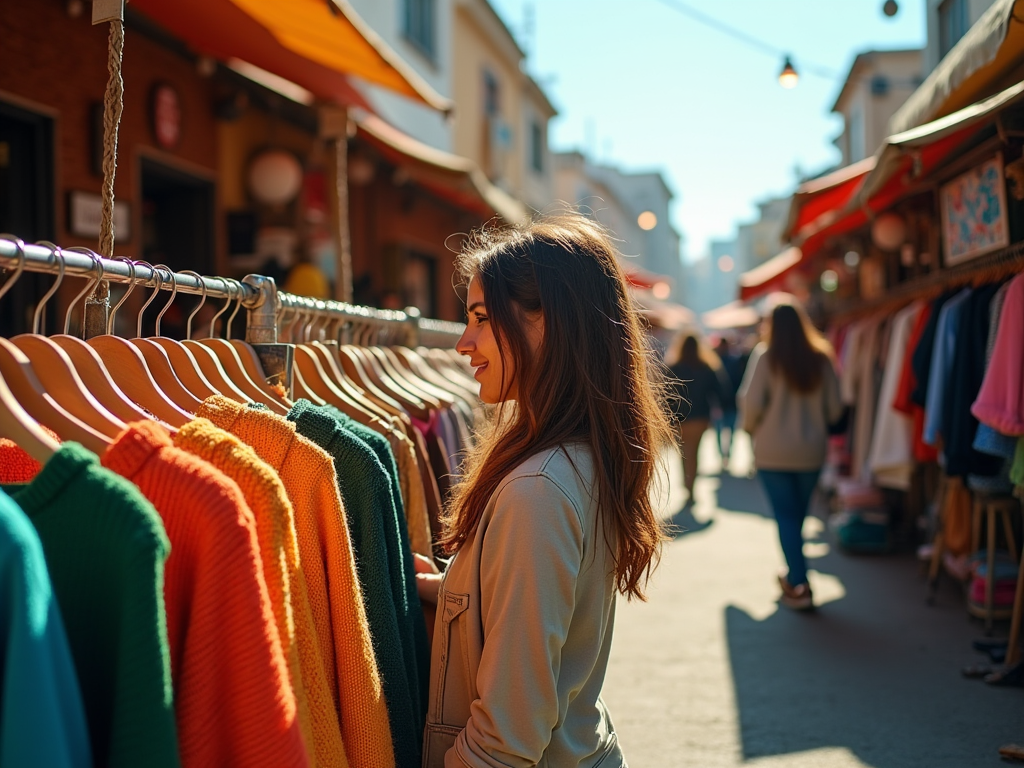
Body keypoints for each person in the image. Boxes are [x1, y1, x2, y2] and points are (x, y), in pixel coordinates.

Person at [413, 214, 674, 768]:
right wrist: (452, 590)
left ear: (546, 324)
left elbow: (505, 741)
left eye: (482, 319)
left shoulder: (537, 490)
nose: (463, 343)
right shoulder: (580, 455)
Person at [738, 300, 843, 611]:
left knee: (786, 517)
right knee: (797, 517)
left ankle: (799, 582)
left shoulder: (766, 357)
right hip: (811, 452)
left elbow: (751, 404)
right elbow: (835, 409)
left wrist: (749, 430)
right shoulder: (822, 358)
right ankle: (795, 577)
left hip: (773, 452)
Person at [667, 334, 728, 505]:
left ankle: (688, 486)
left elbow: (664, 396)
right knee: (694, 453)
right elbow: (721, 391)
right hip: (700, 418)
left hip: (679, 419)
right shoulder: (707, 367)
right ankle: (690, 486)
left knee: (684, 454)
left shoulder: (673, 367)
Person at [713, 336, 746, 469]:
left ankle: (725, 456)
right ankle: (725, 456)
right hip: (728, 402)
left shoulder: (721, 361)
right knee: (725, 431)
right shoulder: (730, 361)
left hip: (727, 403)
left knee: (723, 431)